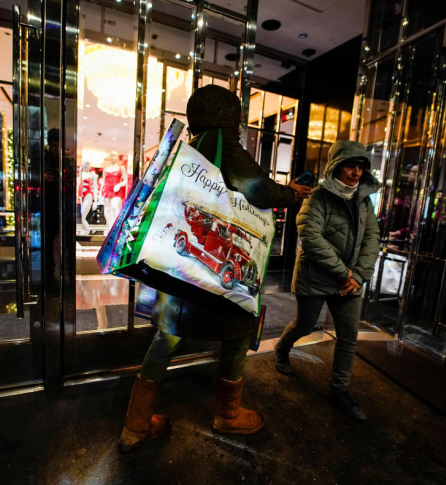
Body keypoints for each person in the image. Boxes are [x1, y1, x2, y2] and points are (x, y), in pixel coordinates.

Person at [118, 85, 312, 453]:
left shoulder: (184, 152)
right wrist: (289, 194)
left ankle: (136, 424)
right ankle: (228, 415)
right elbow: (255, 188)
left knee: (166, 337)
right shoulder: (225, 145)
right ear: (231, 117)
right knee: (238, 334)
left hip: (174, 271)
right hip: (213, 280)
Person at [274, 140, 380, 422]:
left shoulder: (364, 200)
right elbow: (310, 237)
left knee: (348, 338)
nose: (356, 173)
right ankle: (282, 349)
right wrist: (344, 273)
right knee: (305, 325)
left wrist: (358, 275)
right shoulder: (317, 197)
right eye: (350, 166)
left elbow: (372, 239)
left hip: (350, 283)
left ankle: (339, 390)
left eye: (360, 167)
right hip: (316, 277)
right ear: (336, 166)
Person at [100, 151, 127, 228]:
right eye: (111, 155)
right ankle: (109, 226)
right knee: (107, 208)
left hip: (116, 190)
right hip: (106, 190)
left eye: (114, 155)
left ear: (117, 157)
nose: (113, 157)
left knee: (114, 206)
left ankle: (118, 225)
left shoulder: (121, 168)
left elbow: (125, 181)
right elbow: (103, 182)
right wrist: (100, 194)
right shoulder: (106, 169)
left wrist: (119, 185)